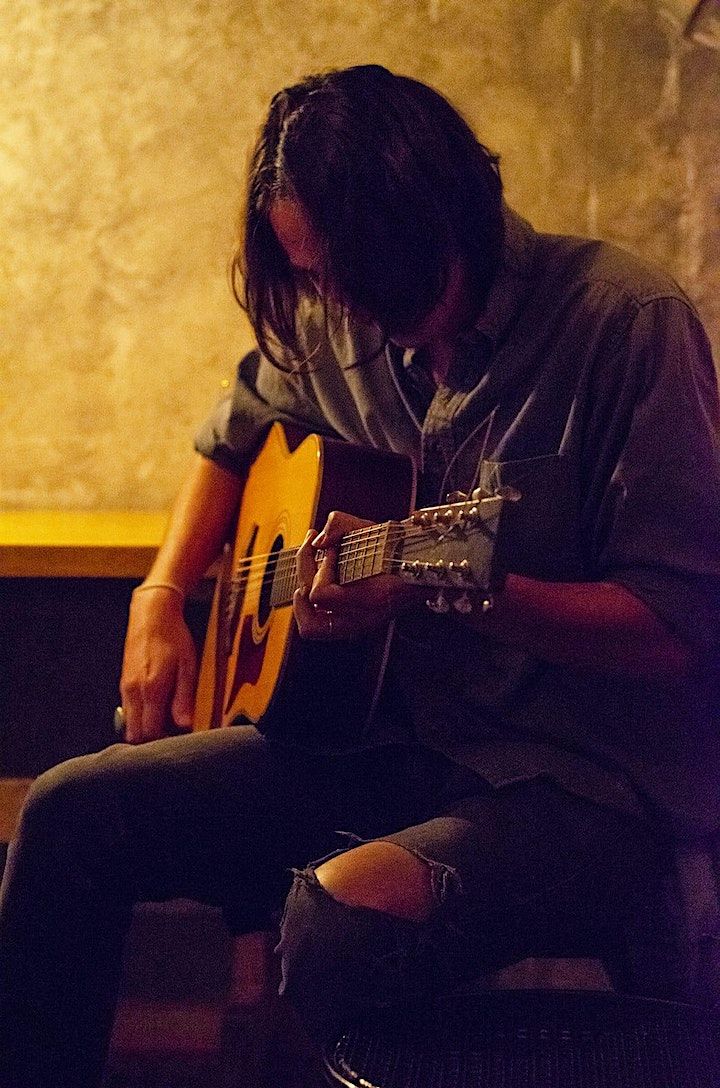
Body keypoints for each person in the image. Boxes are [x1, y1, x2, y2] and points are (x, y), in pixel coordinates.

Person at [1, 64, 719, 1088]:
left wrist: (460, 593)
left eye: (347, 272)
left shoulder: (625, 322)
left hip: (578, 783)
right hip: (384, 742)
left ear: (434, 218)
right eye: (313, 275)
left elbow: (676, 634)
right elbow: (231, 436)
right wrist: (159, 596)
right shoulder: (345, 322)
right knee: (71, 810)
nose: (332, 299)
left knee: (336, 922)